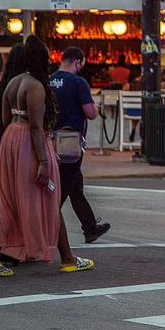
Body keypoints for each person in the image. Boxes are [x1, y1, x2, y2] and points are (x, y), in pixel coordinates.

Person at [0, 35, 94, 277]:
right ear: (40, 58)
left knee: (8, 200)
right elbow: (34, 126)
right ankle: (68, 258)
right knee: (50, 198)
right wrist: (43, 161)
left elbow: (3, 121)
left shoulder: (12, 83)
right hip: (30, 144)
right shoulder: (36, 86)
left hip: (10, 140)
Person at [51, 47, 111, 243]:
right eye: (82, 64)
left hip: (52, 137)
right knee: (63, 187)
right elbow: (91, 113)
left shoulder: (50, 80)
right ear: (77, 61)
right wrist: (94, 106)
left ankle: (90, 226)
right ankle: (44, 224)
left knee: (74, 183)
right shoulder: (78, 82)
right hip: (71, 141)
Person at [0, 43, 26, 240]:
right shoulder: (21, 85)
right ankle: (4, 242)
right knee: (11, 194)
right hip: (10, 141)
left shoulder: (4, 84)